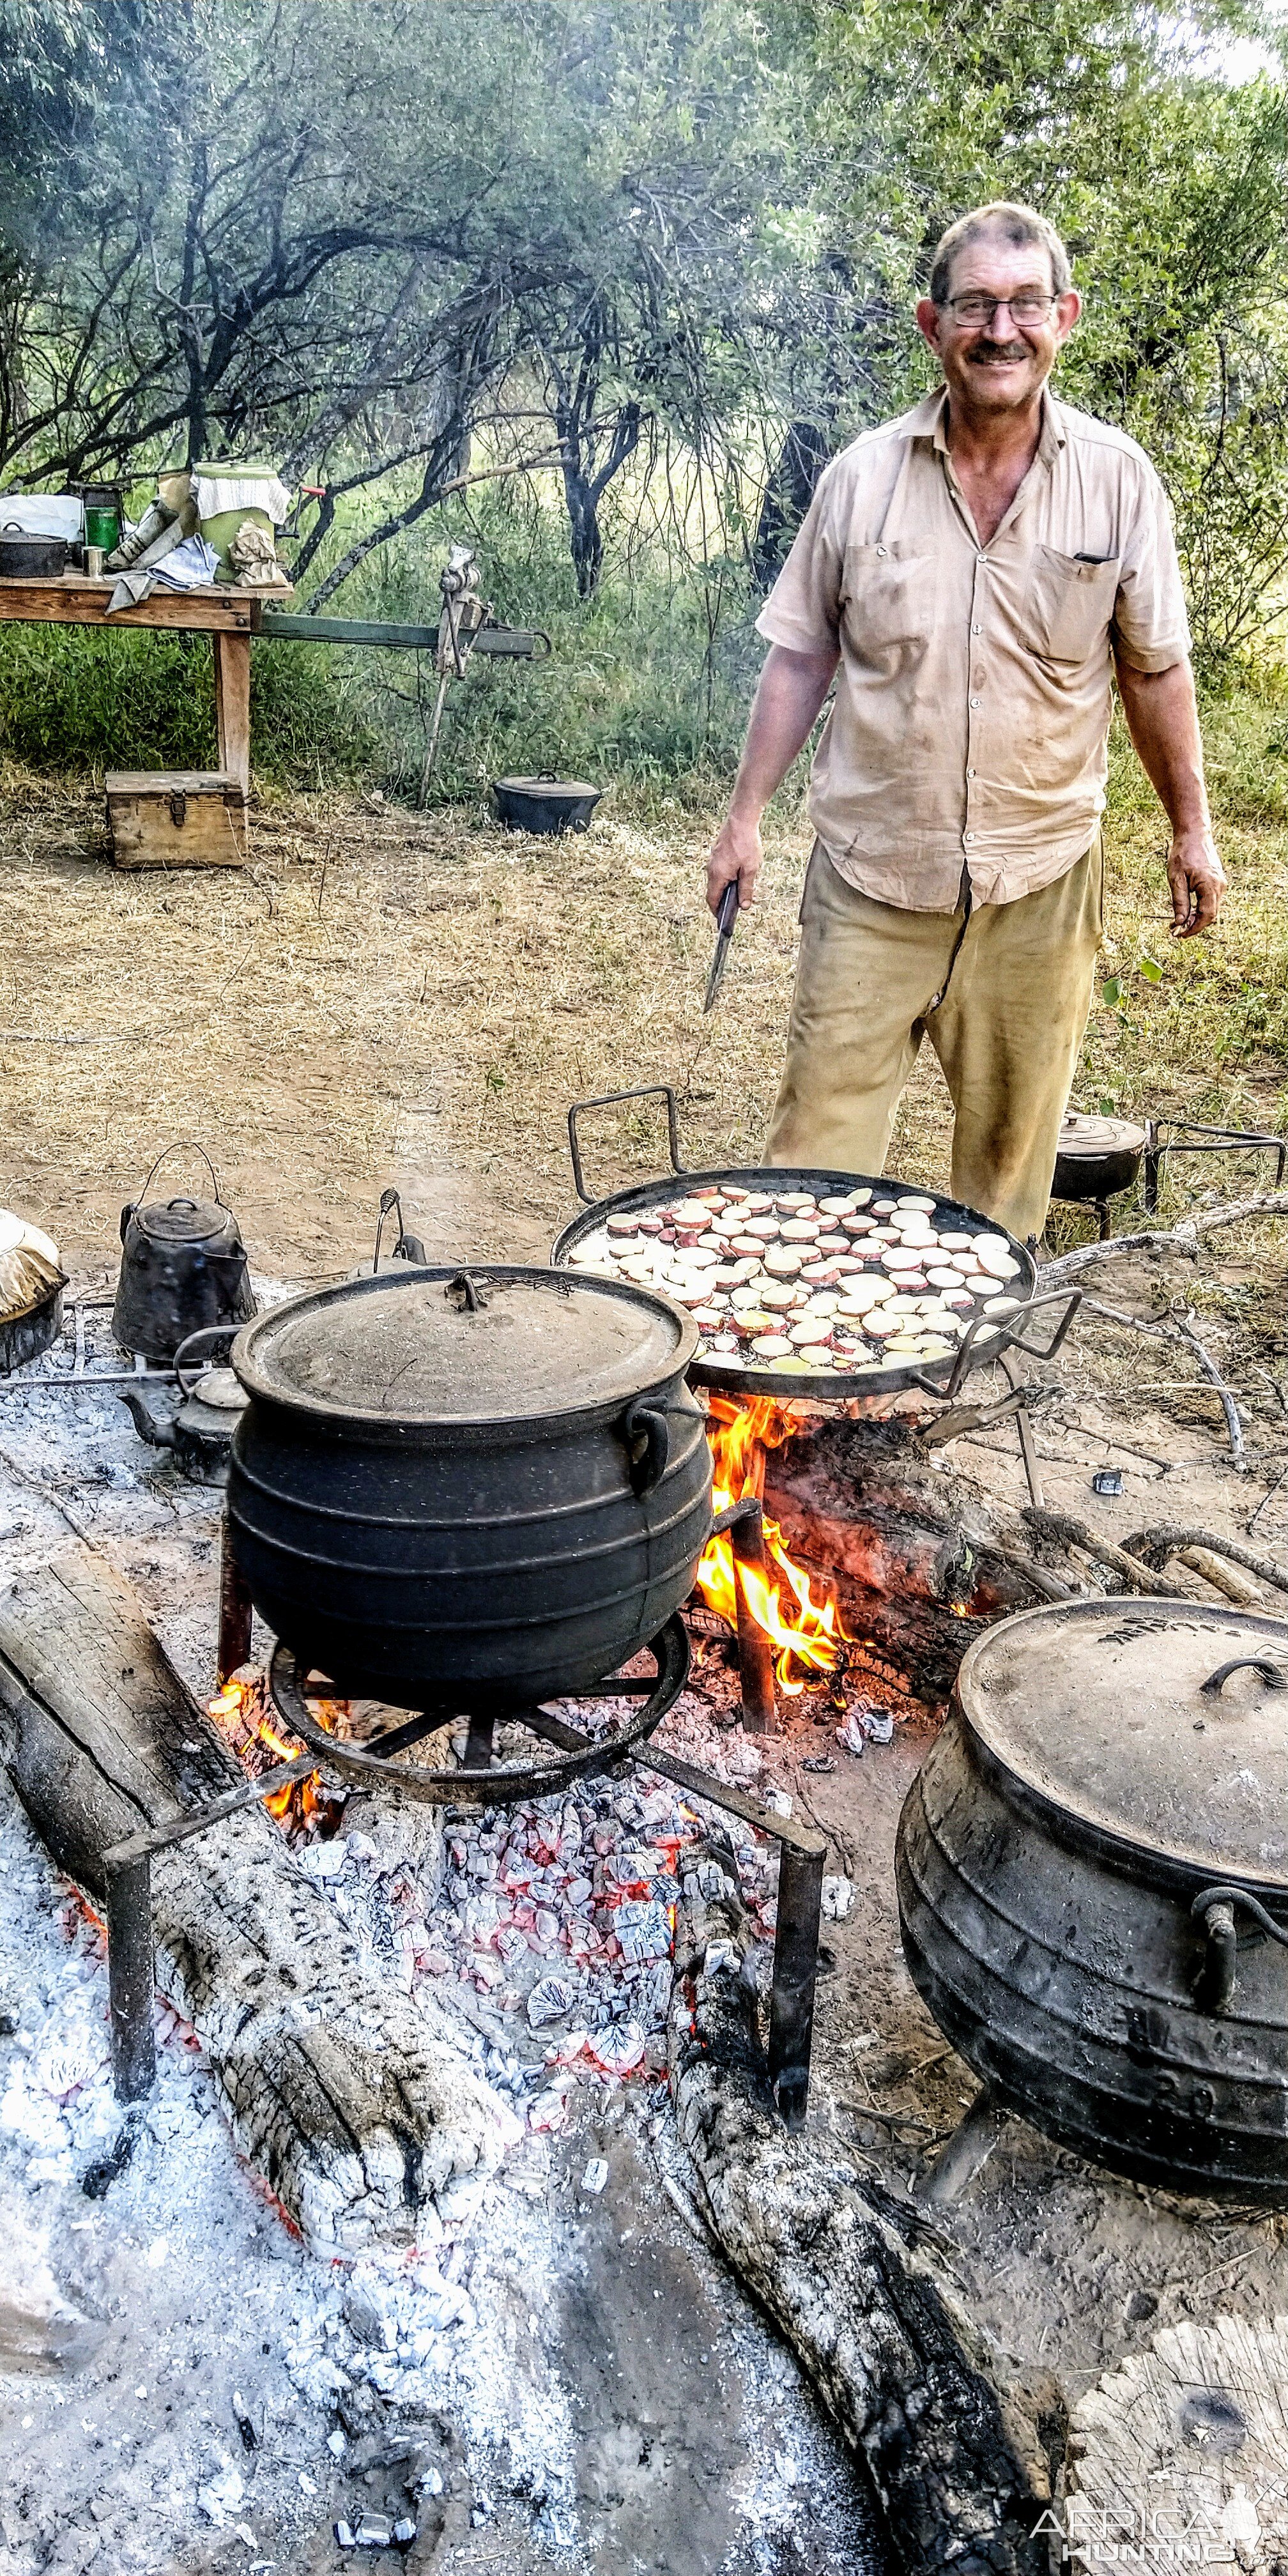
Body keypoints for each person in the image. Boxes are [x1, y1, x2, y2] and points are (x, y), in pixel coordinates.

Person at [705, 200, 1224, 1244]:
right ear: (929, 323)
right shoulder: (860, 479)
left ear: (1065, 317)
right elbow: (802, 654)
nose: (1001, 330)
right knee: (812, 1163)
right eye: (976, 305)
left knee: (1005, 1172)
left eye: (1025, 305)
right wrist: (743, 817)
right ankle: (798, 1381)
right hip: (871, 875)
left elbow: (1154, 669)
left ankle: (959, 1382)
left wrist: (1191, 828)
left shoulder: (1119, 481)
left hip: (1039, 879)